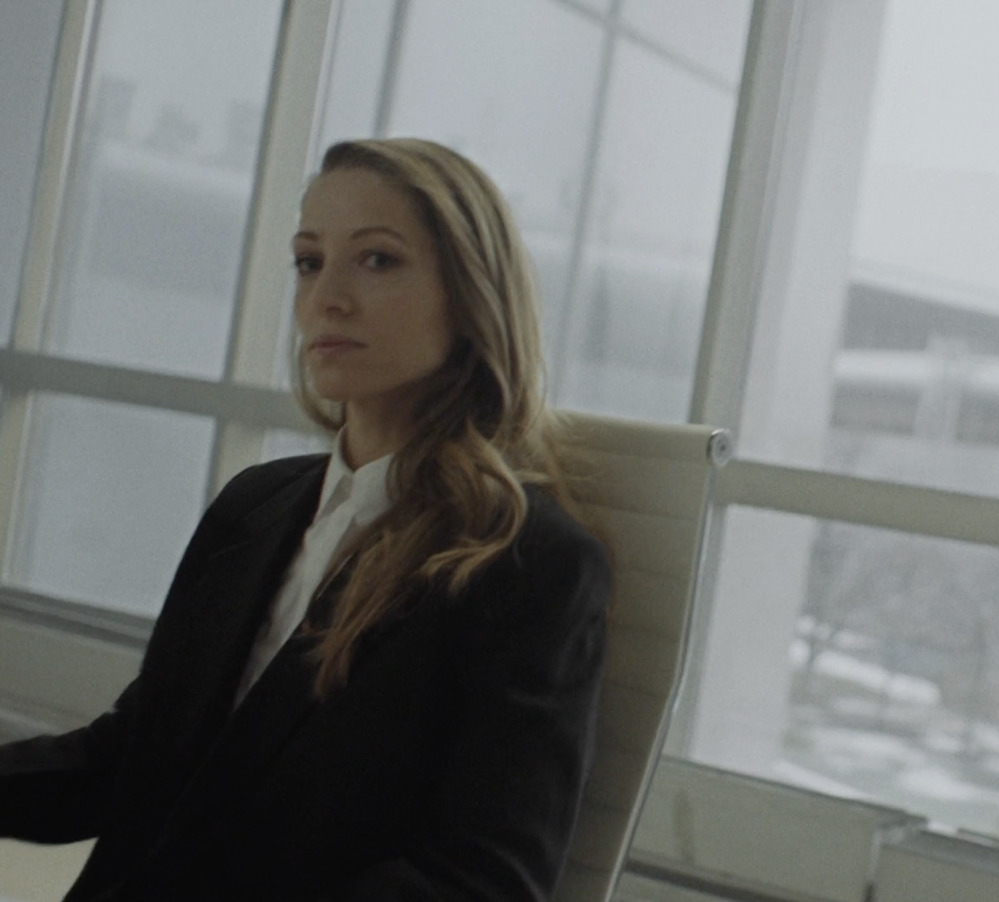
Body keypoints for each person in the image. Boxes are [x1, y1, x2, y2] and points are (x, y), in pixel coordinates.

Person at [0, 138, 610, 901]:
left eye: (377, 260)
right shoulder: (254, 507)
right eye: (308, 261)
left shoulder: (527, 566)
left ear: (471, 295)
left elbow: (481, 883)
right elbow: (132, 759)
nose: (328, 296)